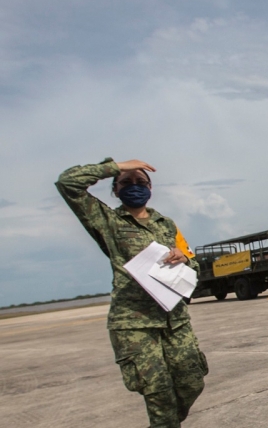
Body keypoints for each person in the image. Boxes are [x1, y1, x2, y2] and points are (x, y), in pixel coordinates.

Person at [56, 158, 208, 428]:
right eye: (126, 182)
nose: (134, 186)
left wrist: (183, 258)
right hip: (134, 323)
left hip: (175, 320)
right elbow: (68, 183)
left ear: (151, 187)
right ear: (115, 190)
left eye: (140, 182)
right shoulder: (108, 221)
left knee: (192, 382)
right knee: (159, 394)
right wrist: (116, 166)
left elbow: (193, 261)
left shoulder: (167, 224)